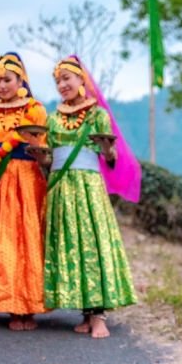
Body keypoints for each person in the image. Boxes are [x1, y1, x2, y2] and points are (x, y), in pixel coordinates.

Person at [43, 55, 140, 338]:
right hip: (61, 189)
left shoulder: (97, 115)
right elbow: (48, 159)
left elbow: (110, 158)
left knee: (92, 245)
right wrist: (40, 156)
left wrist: (108, 149)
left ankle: (99, 315)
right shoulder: (53, 118)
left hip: (88, 188)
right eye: (58, 81)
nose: (62, 85)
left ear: (81, 80)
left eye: (67, 79)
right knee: (71, 246)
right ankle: (84, 313)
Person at [0, 52, 48, 330]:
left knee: (29, 240)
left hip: (28, 180)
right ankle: (13, 307)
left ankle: (31, 306)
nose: (2, 85)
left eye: (8, 80)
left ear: (21, 80)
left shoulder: (35, 110)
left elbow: (44, 148)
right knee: (3, 241)